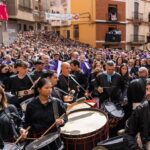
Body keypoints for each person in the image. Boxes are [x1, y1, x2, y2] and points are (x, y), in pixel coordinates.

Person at [20, 78, 67, 150]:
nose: (49, 90)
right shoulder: (31, 105)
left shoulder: (56, 102)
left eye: (51, 87)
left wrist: (62, 121)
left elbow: (65, 116)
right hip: (38, 140)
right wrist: (23, 130)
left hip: (54, 137)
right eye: (46, 88)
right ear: (39, 89)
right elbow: (27, 123)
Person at [125, 80, 150, 150]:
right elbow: (129, 133)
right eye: (147, 89)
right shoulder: (140, 109)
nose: (148, 93)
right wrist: (135, 147)